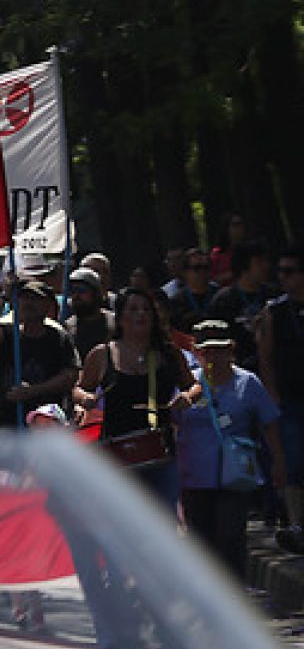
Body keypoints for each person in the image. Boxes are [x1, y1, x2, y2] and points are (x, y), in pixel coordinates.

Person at [73, 287, 201, 511]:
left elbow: (193, 386)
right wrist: (86, 398)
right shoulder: (102, 354)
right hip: (117, 454)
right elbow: (79, 388)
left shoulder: (169, 353)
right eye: (133, 309)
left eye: (146, 310)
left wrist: (187, 397)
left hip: (160, 452)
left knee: (162, 521)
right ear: (120, 319)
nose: (140, 314)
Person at [177, 320, 285, 576]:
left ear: (231, 349)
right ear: (197, 353)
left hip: (235, 476)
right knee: (199, 543)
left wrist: (279, 461)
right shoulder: (188, 385)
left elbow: (269, 422)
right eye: (206, 351)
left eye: (219, 349)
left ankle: (234, 596)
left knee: (230, 537)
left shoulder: (248, 383)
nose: (213, 356)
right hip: (195, 476)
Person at [0, 279, 81, 427]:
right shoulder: (8, 334)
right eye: (24, 298)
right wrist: (4, 296)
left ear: (47, 306)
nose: (28, 303)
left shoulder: (58, 337)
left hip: (45, 426)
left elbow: (70, 376)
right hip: (9, 425)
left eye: (35, 299)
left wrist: (32, 391)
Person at [257, 245, 304, 554]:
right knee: (294, 461)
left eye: (290, 271)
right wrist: (271, 394)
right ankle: (297, 524)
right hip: (289, 399)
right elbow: (266, 355)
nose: (283, 277)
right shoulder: (274, 310)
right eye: (280, 271)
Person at [209, 239, 273, 374]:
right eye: (259, 262)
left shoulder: (274, 296)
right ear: (244, 266)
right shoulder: (223, 301)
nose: (265, 266)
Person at [63, 266, 115, 361]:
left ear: (96, 294)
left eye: (81, 291)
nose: (76, 296)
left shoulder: (114, 322)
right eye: (73, 291)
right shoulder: (66, 327)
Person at [168, 248, 218, 334]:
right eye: (197, 268)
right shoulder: (176, 301)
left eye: (205, 268)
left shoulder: (220, 296)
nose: (202, 272)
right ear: (185, 272)